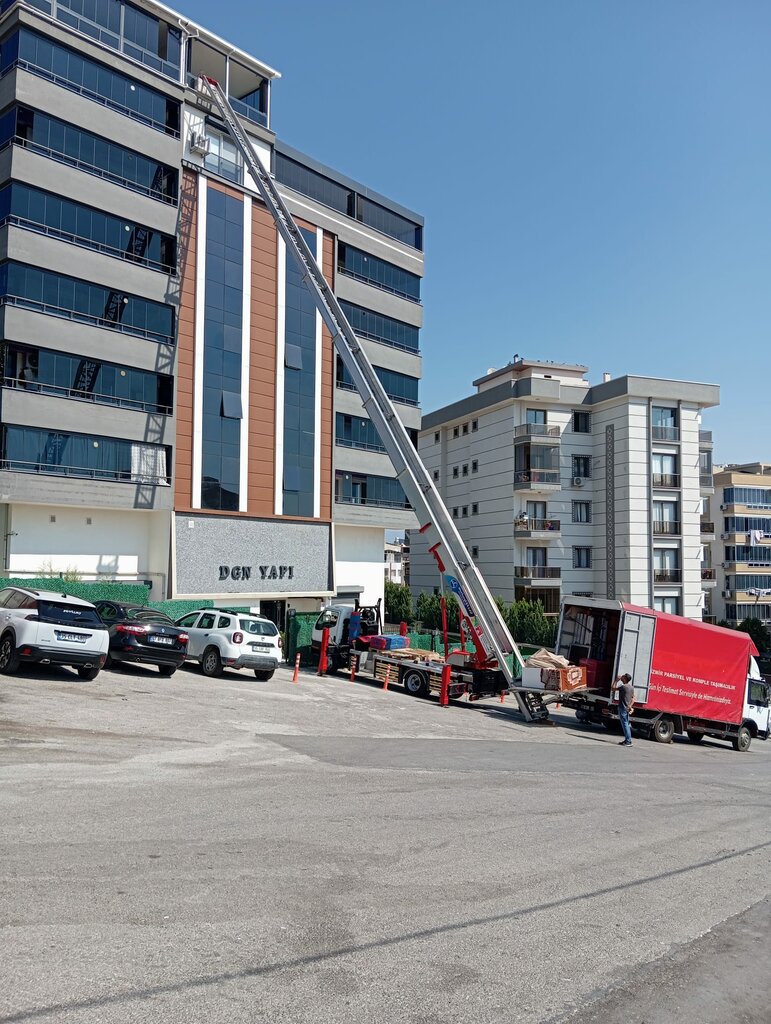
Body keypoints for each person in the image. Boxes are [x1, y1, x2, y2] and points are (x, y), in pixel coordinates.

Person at [612, 672, 635, 746]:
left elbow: (613, 688)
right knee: (626, 724)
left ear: (625, 679)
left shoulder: (623, 687)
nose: (621, 677)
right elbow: (634, 698)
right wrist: (630, 706)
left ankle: (628, 741)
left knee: (625, 724)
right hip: (626, 708)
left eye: (623, 676)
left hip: (622, 708)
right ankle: (627, 740)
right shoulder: (631, 687)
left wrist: (616, 680)